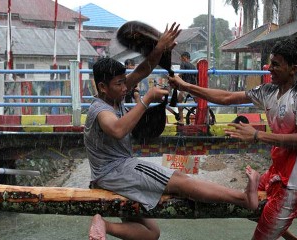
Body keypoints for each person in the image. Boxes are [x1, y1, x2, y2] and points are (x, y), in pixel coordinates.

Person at [85, 23, 260, 240]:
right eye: (120, 84)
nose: (125, 88)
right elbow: (118, 130)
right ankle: (242, 198)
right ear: (103, 87)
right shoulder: (100, 109)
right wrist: (147, 99)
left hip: (112, 173)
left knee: (152, 233)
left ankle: (104, 225)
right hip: (116, 172)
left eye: (124, 82)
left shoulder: (113, 94)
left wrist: (159, 48)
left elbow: (143, 69)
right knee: (180, 181)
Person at [169, 35, 297, 240]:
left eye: (276, 65)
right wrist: (186, 87)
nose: (269, 68)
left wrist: (257, 135)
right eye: (270, 62)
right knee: (247, 201)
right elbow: (226, 97)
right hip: (275, 174)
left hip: (292, 186)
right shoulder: (269, 91)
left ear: (293, 68)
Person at [176, 51, 197, 124]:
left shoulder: (183, 64)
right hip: (193, 87)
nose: (181, 59)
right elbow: (196, 77)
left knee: (179, 101)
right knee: (198, 103)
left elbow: (180, 74)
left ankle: (181, 120)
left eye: (182, 58)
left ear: (185, 57)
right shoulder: (193, 66)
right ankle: (204, 118)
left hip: (185, 87)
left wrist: (175, 78)